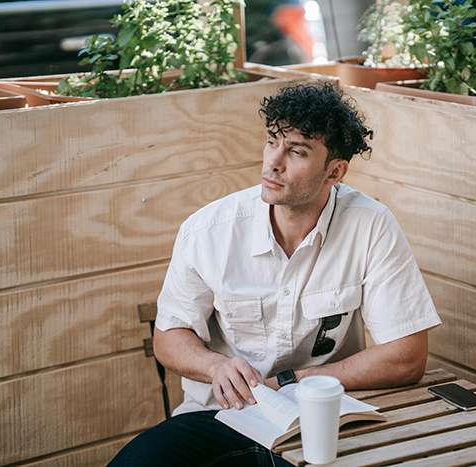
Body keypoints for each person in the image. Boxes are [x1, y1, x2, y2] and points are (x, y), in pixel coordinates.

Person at [108, 81, 441, 467]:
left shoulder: (371, 225)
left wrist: (289, 383)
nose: (273, 162)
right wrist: (216, 366)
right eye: (272, 142)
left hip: (323, 421)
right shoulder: (208, 230)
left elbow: (407, 358)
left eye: (296, 151)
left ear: (334, 171)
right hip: (219, 417)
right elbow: (168, 338)